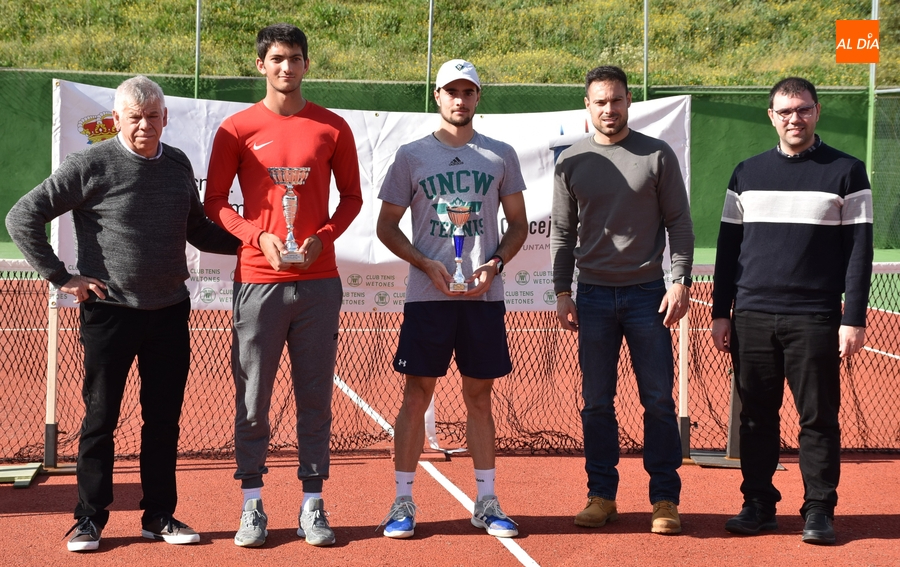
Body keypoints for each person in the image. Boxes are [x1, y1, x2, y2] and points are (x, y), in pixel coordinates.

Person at [5, 76, 240, 552]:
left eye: (153, 116)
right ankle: (90, 518)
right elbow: (21, 216)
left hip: (170, 311)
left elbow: (196, 229)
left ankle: (159, 515)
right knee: (100, 419)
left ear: (165, 118)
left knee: (164, 420)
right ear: (117, 119)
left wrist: (254, 242)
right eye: (134, 117)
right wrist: (60, 276)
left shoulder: (176, 164)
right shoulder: (90, 163)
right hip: (110, 314)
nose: (144, 125)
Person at [204, 23, 362, 548]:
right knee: (252, 397)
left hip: (319, 282)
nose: (286, 67)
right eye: (276, 58)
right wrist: (258, 237)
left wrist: (321, 236)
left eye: (294, 58)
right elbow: (216, 204)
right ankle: (252, 504)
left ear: (306, 65)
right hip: (258, 281)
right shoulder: (236, 128)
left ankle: (312, 504)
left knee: (314, 396)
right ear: (260, 65)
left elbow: (352, 201)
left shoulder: (332, 127)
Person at [711, 77, 873, 545]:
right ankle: (758, 504)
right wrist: (722, 312)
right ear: (771, 117)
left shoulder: (847, 171)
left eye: (802, 110)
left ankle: (819, 510)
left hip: (815, 318)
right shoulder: (746, 173)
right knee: (755, 418)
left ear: (817, 111)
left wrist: (853, 318)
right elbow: (728, 249)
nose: (794, 119)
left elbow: (859, 252)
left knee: (817, 418)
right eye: (784, 111)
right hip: (753, 316)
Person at [375, 59, 528, 539]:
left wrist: (494, 264)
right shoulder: (412, 155)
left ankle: (486, 501)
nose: (460, 100)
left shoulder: (500, 155)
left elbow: (519, 225)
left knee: (479, 397)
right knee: (416, 395)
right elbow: (385, 226)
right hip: (428, 296)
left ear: (478, 98)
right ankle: (402, 502)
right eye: (452, 92)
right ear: (437, 96)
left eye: (469, 91)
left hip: (483, 296)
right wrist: (427, 265)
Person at [550, 65, 694, 535]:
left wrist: (679, 281)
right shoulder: (570, 161)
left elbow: (680, 225)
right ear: (587, 106)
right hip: (591, 297)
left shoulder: (657, 155)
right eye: (599, 102)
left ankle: (665, 500)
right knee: (596, 403)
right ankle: (602, 495)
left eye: (615, 100)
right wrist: (562, 291)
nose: (608, 109)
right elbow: (562, 235)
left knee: (656, 400)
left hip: (648, 296)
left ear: (628, 100)